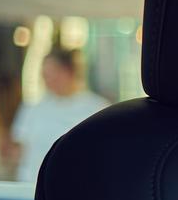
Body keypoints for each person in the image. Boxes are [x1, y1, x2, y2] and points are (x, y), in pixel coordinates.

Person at [6, 47, 109, 183]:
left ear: (70, 72)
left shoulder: (97, 108)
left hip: (77, 188)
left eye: (53, 74)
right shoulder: (32, 108)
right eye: (45, 75)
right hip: (31, 187)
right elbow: (17, 147)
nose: (48, 80)